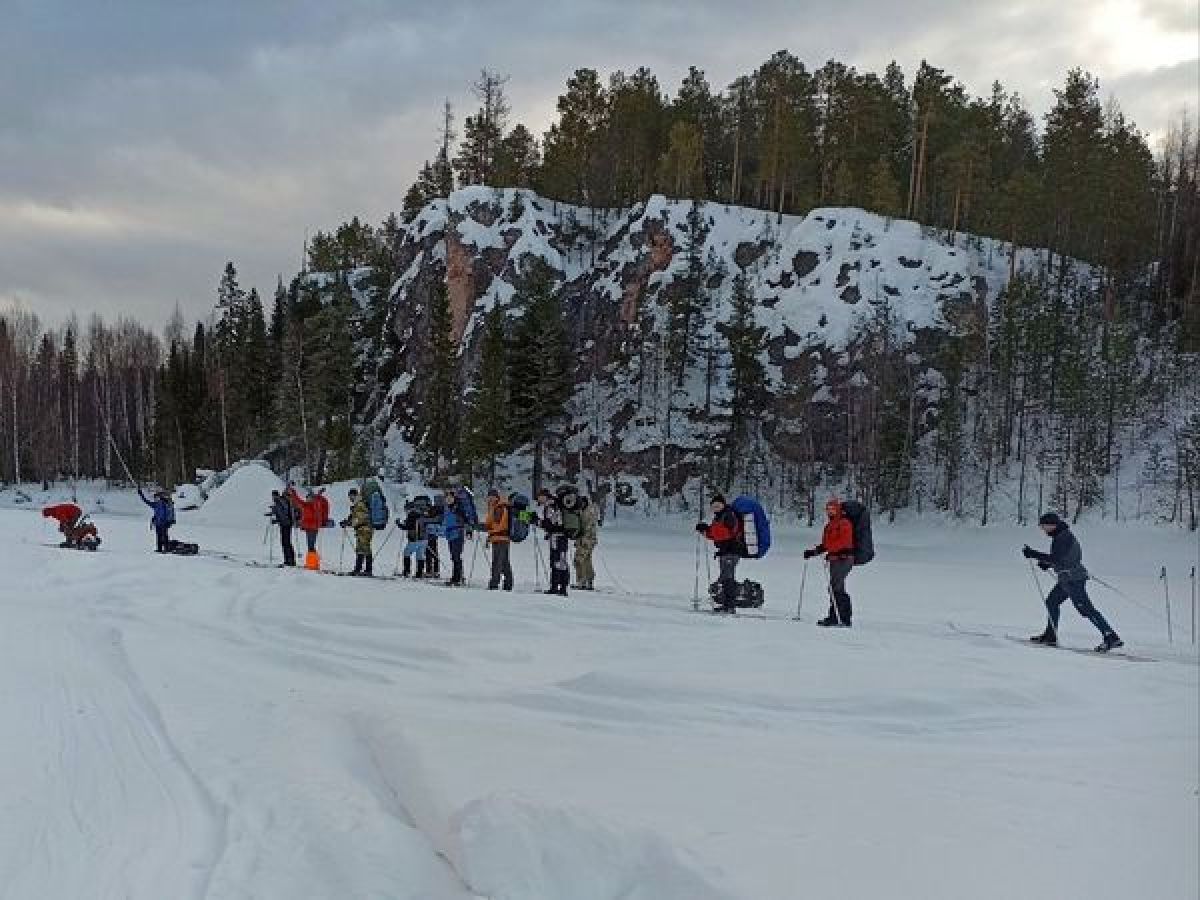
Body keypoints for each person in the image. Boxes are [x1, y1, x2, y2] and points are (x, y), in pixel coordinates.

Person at [1023, 512, 1122, 652]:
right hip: (1066, 580)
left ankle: (1111, 637)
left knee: (1086, 609)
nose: (1042, 529)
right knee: (1052, 602)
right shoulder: (1060, 535)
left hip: (1074, 580)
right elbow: (1062, 558)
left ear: (1052, 525)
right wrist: (1047, 563)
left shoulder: (1063, 537)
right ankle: (1050, 635)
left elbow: (1056, 558)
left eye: (1043, 526)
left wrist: (1034, 554)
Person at [804, 498, 855, 627]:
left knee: (834, 587)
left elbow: (843, 542)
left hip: (844, 559)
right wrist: (814, 552)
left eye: (833, 509)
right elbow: (826, 544)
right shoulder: (829, 526)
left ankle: (837, 617)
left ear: (838, 510)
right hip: (834, 560)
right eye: (828, 509)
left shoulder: (844, 523)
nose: (830, 512)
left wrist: (830, 550)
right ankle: (843, 617)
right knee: (837, 587)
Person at [696, 494, 745, 613]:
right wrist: (704, 531)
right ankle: (727, 604)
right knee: (725, 577)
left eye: (718, 505)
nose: (716, 508)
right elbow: (715, 535)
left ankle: (729, 605)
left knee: (727, 577)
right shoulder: (719, 517)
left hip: (731, 550)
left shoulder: (729, 515)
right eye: (714, 506)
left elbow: (726, 533)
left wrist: (708, 529)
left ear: (723, 505)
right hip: (725, 551)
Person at [536, 488, 571, 596]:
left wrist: (537, 521)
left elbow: (551, 524)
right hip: (563, 537)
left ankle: (555, 587)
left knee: (556, 561)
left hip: (557, 537)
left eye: (539, 497)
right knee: (562, 561)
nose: (539, 499)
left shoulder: (550, 505)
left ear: (544, 496)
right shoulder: (557, 504)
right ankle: (563, 587)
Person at [339, 487, 374, 576]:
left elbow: (359, 519)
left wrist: (348, 523)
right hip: (362, 529)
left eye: (350, 496)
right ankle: (359, 569)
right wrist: (347, 521)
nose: (350, 499)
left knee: (365, 548)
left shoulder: (360, 504)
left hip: (365, 529)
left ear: (354, 495)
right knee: (361, 549)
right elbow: (356, 518)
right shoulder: (357, 504)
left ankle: (367, 570)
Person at [484, 489, 513, 591]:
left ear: (496, 497)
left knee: (497, 562)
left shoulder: (499, 508)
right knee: (504, 562)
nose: (490, 499)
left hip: (500, 538)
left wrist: (487, 528)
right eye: (489, 497)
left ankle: (494, 584)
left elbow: (497, 525)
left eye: (492, 497)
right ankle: (508, 584)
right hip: (499, 538)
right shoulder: (495, 507)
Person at [287, 484, 325, 561]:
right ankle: (312, 562)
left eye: (309, 498)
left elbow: (317, 501)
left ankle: (313, 562)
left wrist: (318, 495)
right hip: (308, 527)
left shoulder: (315, 505)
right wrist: (293, 492)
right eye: (307, 498)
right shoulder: (305, 505)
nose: (307, 499)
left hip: (313, 528)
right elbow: (297, 500)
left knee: (311, 546)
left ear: (312, 499)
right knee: (310, 545)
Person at [137, 485, 175, 553]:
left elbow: (169, 512)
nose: (155, 499)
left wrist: (170, 521)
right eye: (155, 498)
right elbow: (146, 501)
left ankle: (166, 548)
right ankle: (159, 548)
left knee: (164, 535)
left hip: (164, 522)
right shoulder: (155, 504)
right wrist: (141, 494)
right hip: (158, 523)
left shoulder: (165, 503)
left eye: (157, 497)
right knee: (159, 536)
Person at [442, 489, 468, 586]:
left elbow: (465, 518)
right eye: (447, 498)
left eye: (450, 497)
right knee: (453, 556)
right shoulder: (447, 508)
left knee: (456, 556)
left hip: (457, 533)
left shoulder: (458, 507)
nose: (448, 499)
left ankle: (457, 578)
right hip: (450, 534)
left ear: (454, 498)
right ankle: (457, 577)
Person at [398, 499, 429, 578]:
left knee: (406, 553)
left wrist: (399, 524)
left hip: (414, 539)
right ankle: (419, 573)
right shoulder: (421, 514)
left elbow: (407, 527)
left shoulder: (411, 515)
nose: (406, 511)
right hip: (424, 539)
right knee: (420, 555)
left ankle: (406, 571)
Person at [573, 494, 598, 590]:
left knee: (579, 559)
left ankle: (582, 581)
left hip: (587, 540)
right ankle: (588, 581)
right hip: (586, 540)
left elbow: (588, 528)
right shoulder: (583, 511)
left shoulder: (588, 512)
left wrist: (583, 539)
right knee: (586, 560)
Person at [270, 489, 297, 567]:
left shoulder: (280, 501)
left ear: (276, 495)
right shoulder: (280, 501)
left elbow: (283, 514)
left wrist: (277, 520)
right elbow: (280, 512)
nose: (273, 497)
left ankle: (289, 561)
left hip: (286, 524)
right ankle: (289, 560)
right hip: (286, 523)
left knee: (286, 542)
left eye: (273, 495)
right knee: (286, 542)